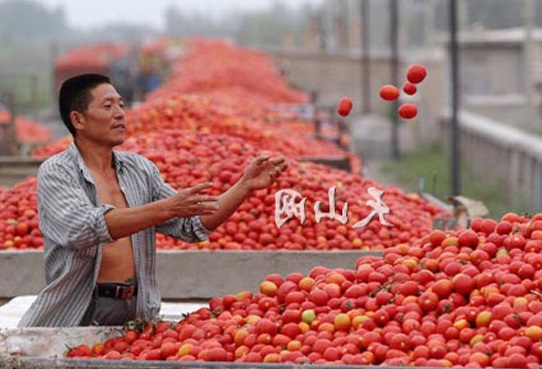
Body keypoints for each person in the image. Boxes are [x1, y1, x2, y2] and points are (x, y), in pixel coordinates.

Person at [18, 73, 287, 327]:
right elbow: (82, 229)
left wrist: (244, 186)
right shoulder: (57, 171)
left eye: (121, 105)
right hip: (76, 311)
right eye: (108, 106)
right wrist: (165, 208)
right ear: (78, 120)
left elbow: (192, 225)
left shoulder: (139, 169)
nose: (120, 114)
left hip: (135, 310)